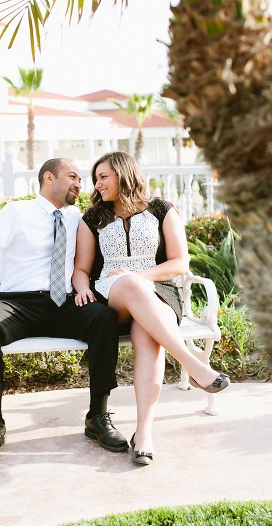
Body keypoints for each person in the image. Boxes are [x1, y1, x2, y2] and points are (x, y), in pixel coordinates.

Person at [0, 158, 127, 462]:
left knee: (103, 318)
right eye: (73, 176)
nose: (80, 184)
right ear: (48, 178)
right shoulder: (17, 212)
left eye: (81, 179)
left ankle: (97, 416)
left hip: (65, 304)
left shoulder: (78, 219)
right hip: (19, 305)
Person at [72, 151, 229, 466]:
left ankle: (143, 434)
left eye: (103, 176)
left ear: (122, 173)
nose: (97, 184)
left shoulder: (162, 209)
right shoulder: (92, 218)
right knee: (130, 286)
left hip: (159, 290)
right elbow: (80, 269)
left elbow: (179, 263)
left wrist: (138, 276)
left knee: (148, 337)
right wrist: (83, 288)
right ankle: (191, 363)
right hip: (110, 293)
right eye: (96, 179)